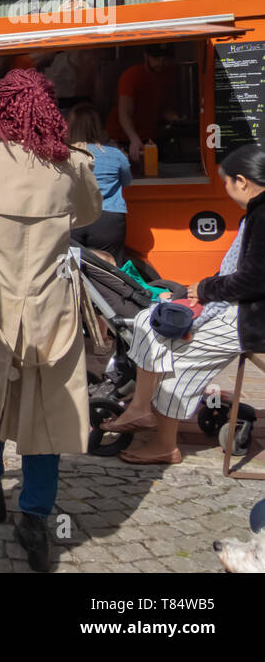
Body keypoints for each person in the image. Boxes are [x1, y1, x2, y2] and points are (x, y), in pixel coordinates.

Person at [0, 68, 102, 572]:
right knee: (47, 409)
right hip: (51, 302)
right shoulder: (71, 164)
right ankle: (35, 515)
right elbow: (89, 216)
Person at [105, 144, 265, 465]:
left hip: (248, 316)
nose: (226, 190)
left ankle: (165, 443)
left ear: (242, 181)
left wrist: (204, 289)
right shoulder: (257, 213)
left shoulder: (261, 217)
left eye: (227, 183)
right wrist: (202, 291)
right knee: (151, 323)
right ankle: (140, 409)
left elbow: (252, 280)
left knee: (176, 358)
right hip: (237, 307)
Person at [68, 102, 132, 261]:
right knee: (111, 270)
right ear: (98, 126)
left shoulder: (64, 156)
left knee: (73, 269)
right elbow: (127, 181)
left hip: (74, 217)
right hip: (108, 218)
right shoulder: (115, 154)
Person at [106, 44, 178, 164]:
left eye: (164, 59)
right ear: (146, 56)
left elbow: (163, 109)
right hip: (122, 138)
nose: (160, 62)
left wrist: (178, 119)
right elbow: (124, 112)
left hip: (149, 138)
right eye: (156, 58)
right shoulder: (132, 76)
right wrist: (134, 139)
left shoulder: (167, 75)